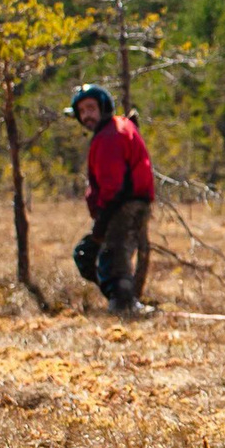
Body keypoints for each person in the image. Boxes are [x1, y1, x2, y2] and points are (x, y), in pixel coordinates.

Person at [70, 84, 155, 315]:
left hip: (122, 204)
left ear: (103, 107)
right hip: (126, 202)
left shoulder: (110, 135)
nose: (86, 115)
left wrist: (102, 219)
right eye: (82, 111)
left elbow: (112, 184)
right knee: (106, 254)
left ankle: (123, 306)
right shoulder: (116, 129)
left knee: (112, 255)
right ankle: (124, 302)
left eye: (91, 108)